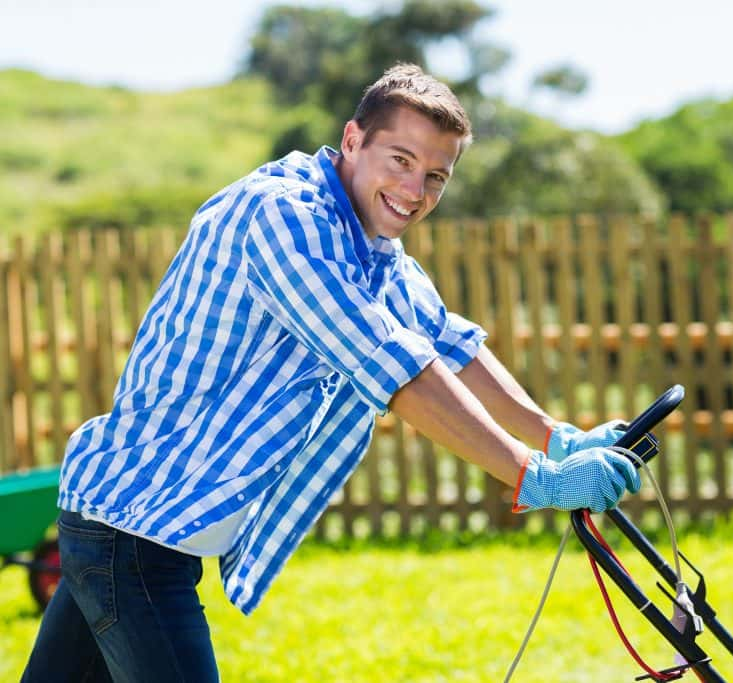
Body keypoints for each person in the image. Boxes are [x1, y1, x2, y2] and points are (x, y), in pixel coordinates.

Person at [21, 63, 640, 682]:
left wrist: (555, 436)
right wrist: (530, 475)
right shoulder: (282, 217)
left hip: (135, 527)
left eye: (435, 177)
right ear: (352, 139)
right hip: (131, 536)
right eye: (400, 160)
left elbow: (448, 343)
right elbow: (393, 366)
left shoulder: (372, 248)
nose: (415, 190)